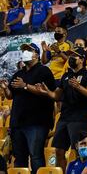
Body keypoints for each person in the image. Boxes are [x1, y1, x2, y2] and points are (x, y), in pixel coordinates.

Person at [37, 48, 87, 172]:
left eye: (74, 56)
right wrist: (47, 92)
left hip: (79, 118)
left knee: (78, 151)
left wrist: (78, 86)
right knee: (59, 150)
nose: (70, 58)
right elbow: (57, 96)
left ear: (82, 59)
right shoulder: (65, 75)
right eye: (70, 56)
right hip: (64, 117)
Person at [0, 43, 55, 174]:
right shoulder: (19, 73)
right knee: (19, 158)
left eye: (28, 50)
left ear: (36, 54)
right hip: (17, 123)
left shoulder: (44, 71)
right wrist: (5, 88)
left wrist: (25, 86)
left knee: (36, 156)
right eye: (23, 50)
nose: (24, 52)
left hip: (36, 122)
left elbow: (48, 92)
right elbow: (10, 95)